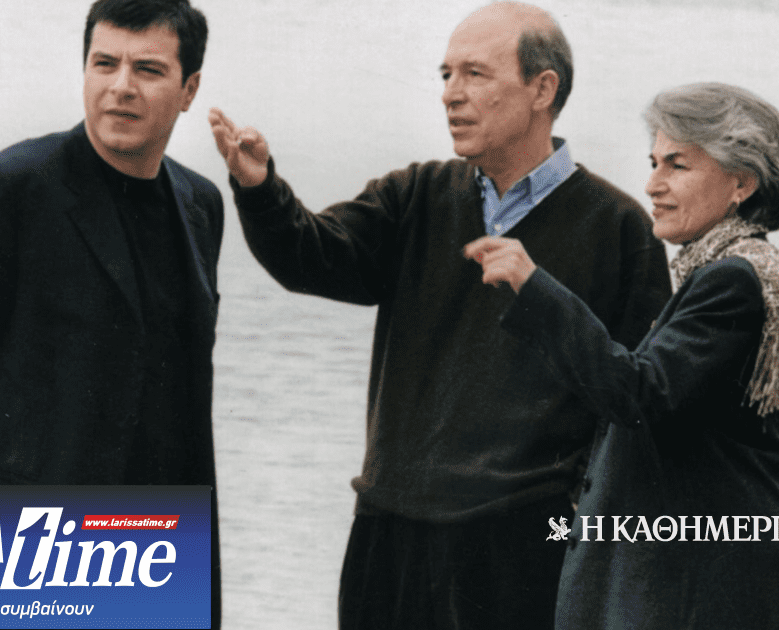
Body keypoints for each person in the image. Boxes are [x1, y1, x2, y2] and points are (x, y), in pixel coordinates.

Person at [210, 2, 671, 627]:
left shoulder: (619, 228)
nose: (451, 93)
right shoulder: (415, 194)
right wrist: (260, 189)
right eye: (446, 74)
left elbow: (638, 406)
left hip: (522, 545)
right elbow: (312, 258)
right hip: (389, 530)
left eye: (475, 74)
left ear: (542, 89)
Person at [0, 0, 223, 624]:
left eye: (148, 69)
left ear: (189, 90)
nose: (121, 86)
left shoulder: (200, 205)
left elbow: (183, 405)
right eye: (105, 63)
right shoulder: (11, 188)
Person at [465, 82, 779, 629]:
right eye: (653, 163)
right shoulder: (739, 270)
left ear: (742, 182)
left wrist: (536, 288)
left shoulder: (732, 279)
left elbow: (641, 394)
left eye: (677, 165)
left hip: (698, 592)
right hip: (713, 576)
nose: (652, 184)